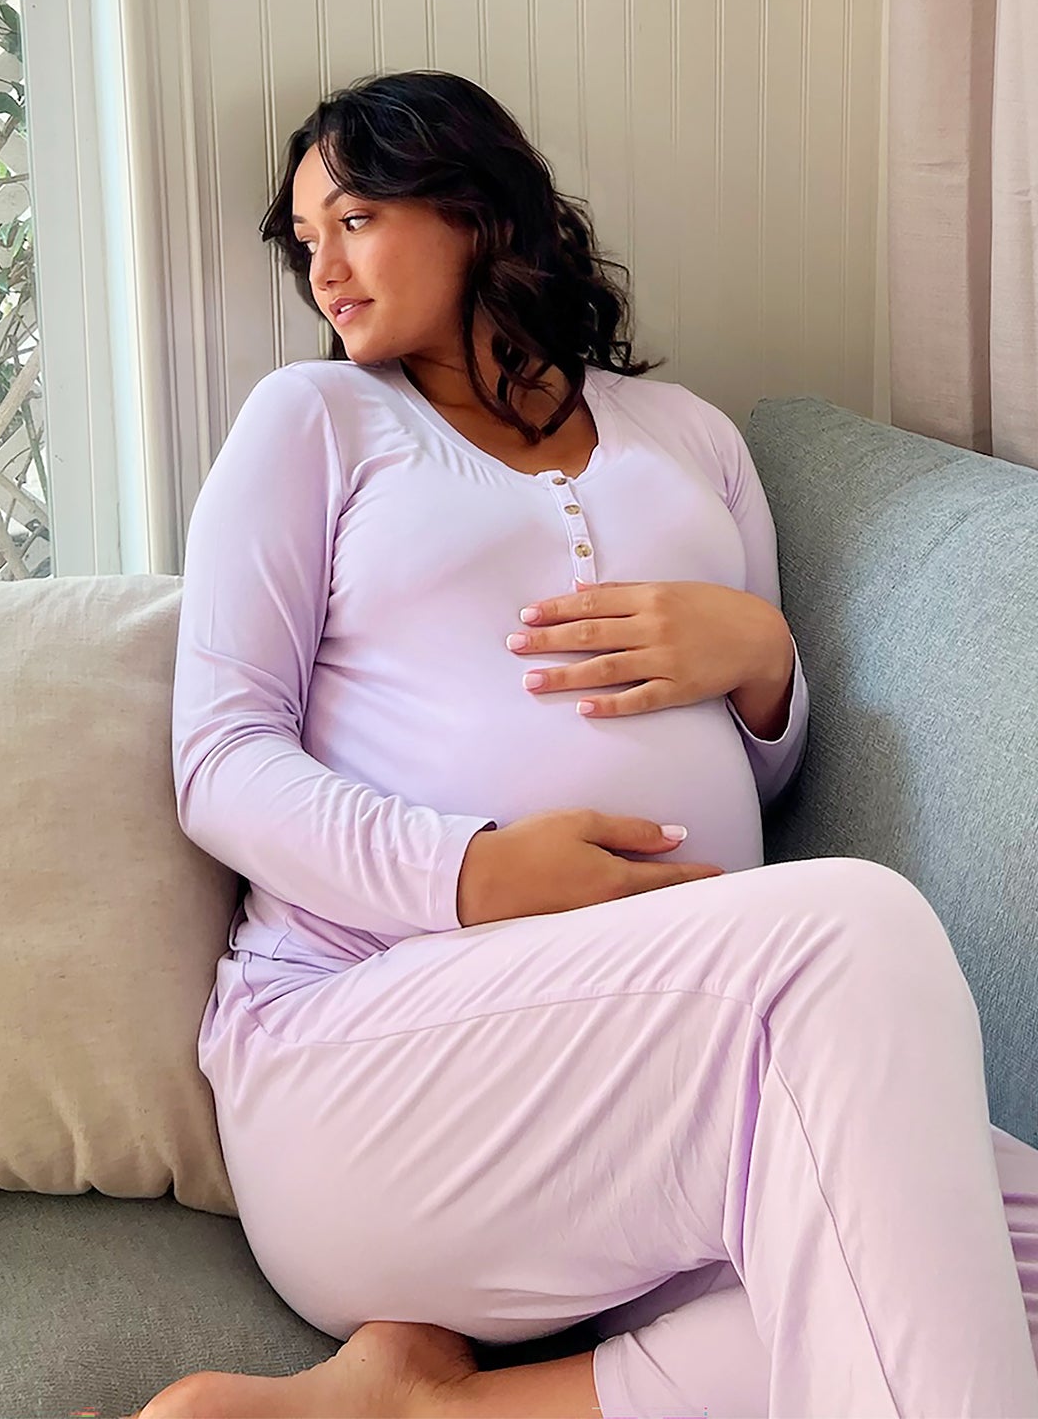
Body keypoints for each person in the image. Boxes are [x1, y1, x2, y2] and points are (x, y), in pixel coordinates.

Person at [139, 72, 1038, 1419]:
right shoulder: (312, 425)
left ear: (473, 209)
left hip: (669, 1066)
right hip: (365, 1050)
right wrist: (473, 872)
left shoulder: (693, 440)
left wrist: (764, 665)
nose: (322, 267)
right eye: (303, 237)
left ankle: (445, 1410)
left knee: (989, 1255)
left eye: (357, 218)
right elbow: (219, 763)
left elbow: (763, 783)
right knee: (853, 932)